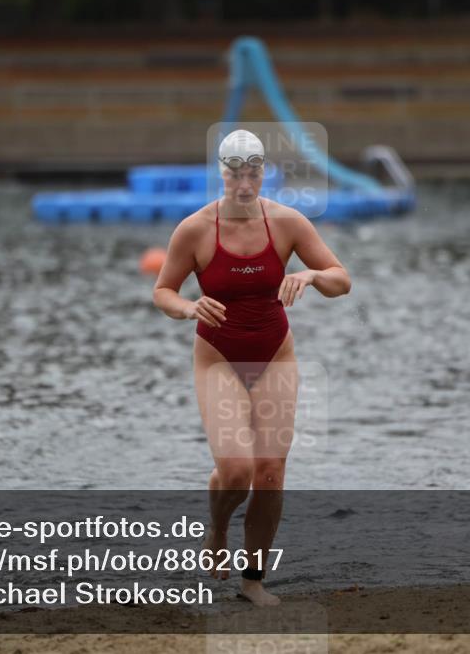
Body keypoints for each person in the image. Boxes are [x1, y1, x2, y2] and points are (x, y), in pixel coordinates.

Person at [152, 130, 351, 606]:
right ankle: (217, 530)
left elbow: (342, 281)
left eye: (254, 174)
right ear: (221, 174)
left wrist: (310, 274)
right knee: (237, 470)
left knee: (269, 475)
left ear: (264, 173)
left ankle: (253, 582)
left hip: (275, 355)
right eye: (235, 174)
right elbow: (163, 291)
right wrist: (186, 308)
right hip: (217, 357)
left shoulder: (287, 222)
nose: (245, 184)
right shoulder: (195, 229)